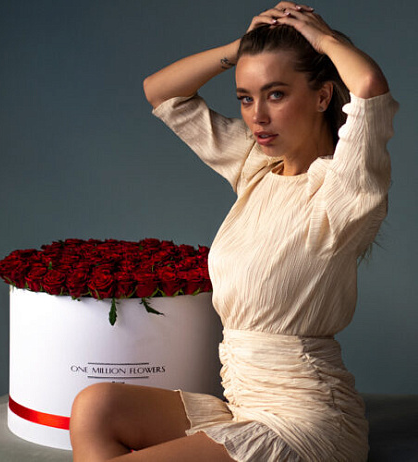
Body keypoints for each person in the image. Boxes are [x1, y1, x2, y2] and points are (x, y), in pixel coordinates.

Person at [69, 2, 398, 461]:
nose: (257, 115)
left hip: (307, 423)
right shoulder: (256, 167)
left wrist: (323, 40)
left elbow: (367, 87)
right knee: (96, 406)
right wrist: (238, 48)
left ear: (323, 96)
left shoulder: (343, 188)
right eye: (245, 97)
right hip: (243, 406)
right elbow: (161, 92)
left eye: (276, 94)